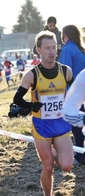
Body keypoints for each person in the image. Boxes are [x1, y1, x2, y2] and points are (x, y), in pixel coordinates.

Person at [13, 31, 73, 196]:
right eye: (47, 48)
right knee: (48, 167)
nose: (52, 51)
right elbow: (16, 99)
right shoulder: (32, 75)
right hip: (42, 127)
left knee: (67, 166)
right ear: (38, 50)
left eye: (54, 47)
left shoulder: (66, 72)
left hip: (61, 125)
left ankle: (54, 152)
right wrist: (31, 107)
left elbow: (75, 93)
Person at [59, 24, 85, 164]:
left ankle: (79, 155)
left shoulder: (67, 49)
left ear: (66, 35)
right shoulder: (81, 49)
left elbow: (64, 73)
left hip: (74, 92)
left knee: (76, 125)